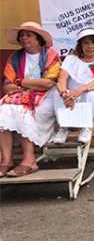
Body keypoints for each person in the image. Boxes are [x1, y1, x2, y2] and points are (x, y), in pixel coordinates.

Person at [0, 21, 61, 177]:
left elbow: (48, 83)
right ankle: (6, 161)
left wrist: (20, 83)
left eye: (29, 35)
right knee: (3, 111)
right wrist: (33, 86)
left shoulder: (50, 55)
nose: (24, 38)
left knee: (24, 111)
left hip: (47, 98)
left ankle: (29, 160)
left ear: (38, 38)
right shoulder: (15, 58)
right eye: (22, 35)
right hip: (21, 97)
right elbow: (7, 86)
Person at [51, 28, 94, 144]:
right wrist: (65, 94)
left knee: (90, 94)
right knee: (57, 93)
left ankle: (86, 129)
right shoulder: (71, 59)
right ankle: (63, 128)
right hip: (72, 95)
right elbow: (62, 78)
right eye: (86, 43)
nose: (90, 46)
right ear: (80, 45)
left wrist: (79, 91)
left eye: (93, 42)